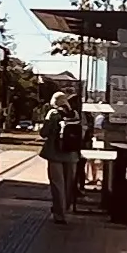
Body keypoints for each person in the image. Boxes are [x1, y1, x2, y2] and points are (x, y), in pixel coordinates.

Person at [41, 87, 90, 221]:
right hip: (72, 154)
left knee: (57, 184)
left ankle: (59, 213)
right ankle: (66, 207)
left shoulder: (53, 113)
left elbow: (43, 133)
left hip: (55, 153)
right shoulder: (75, 114)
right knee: (69, 184)